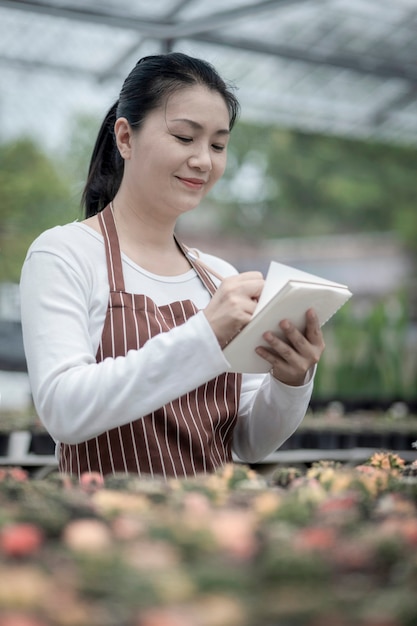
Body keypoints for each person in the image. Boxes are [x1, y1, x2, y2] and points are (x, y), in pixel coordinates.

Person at [20, 52, 325, 479]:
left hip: (211, 529)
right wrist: (205, 333)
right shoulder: (64, 254)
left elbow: (248, 440)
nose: (204, 160)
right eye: (185, 137)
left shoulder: (219, 276)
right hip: (100, 531)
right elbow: (63, 410)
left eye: (218, 145)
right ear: (125, 138)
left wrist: (291, 381)